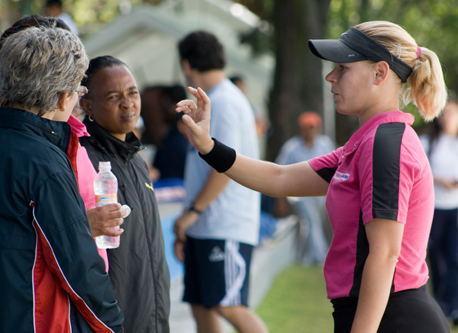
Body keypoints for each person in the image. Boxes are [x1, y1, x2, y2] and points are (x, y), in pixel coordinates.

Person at [176, 21, 450, 333]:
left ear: (380, 73)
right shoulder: (365, 143)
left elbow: (385, 255)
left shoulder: (385, 145)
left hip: (394, 319)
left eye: (342, 68)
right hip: (375, 314)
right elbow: (279, 178)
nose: (330, 77)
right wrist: (209, 147)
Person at [0, 24, 124, 332]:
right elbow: (78, 266)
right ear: (62, 98)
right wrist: (113, 324)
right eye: (78, 92)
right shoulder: (42, 161)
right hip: (33, 318)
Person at [174, 31, 268, 333]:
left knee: (228, 304)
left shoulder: (225, 101)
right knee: (202, 305)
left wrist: (193, 212)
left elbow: (223, 167)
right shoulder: (215, 99)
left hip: (224, 223)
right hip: (208, 225)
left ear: (187, 64)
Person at [79, 55, 170, 333]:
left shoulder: (138, 160)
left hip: (153, 311)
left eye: (132, 92)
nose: (128, 102)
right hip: (115, 317)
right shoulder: (83, 158)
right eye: (113, 96)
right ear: (87, 105)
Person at [275, 111, 334, 264]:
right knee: (310, 221)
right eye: (306, 127)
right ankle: (322, 257)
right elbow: (278, 172)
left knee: (311, 225)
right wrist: (280, 200)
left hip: (321, 194)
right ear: (299, 129)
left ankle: (304, 258)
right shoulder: (291, 147)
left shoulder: (325, 144)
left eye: (312, 127)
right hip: (299, 194)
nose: (309, 131)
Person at [420, 96, 458, 324]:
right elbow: (419, 171)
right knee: (436, 258)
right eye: (444, 113)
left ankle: (454, 306)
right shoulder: (428, 141)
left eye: (452, 113)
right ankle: (441, 306)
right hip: (433, 209)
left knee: (455, 257)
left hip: (455, 208)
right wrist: (440, 180)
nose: (447, 117)